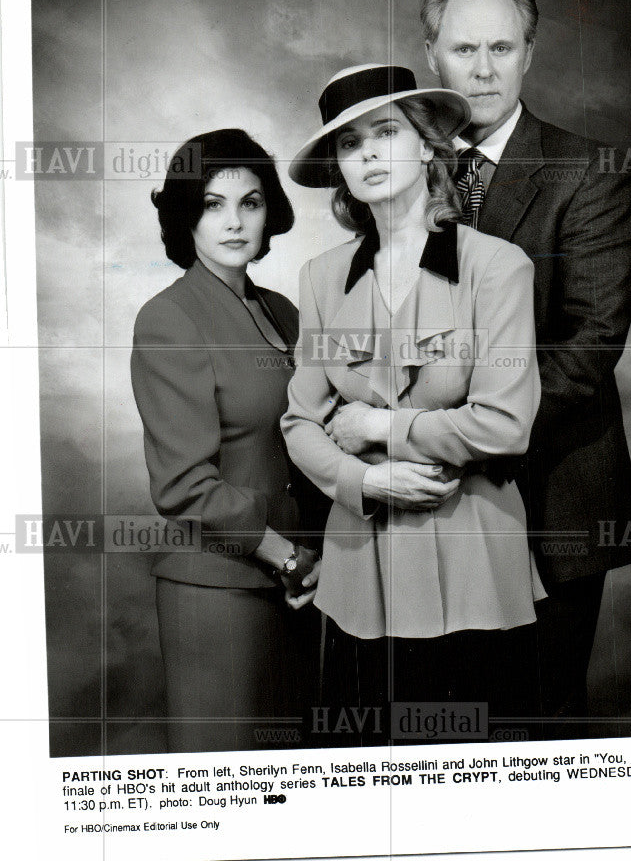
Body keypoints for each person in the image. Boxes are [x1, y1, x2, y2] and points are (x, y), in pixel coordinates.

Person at [281, 64, 547, 745]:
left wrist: (381, 427)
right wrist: (362, 478)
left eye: (386, 132)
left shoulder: (497, 266)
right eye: (348, 143)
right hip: (357, 573)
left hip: (472, 568)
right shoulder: (321, 277)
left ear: (428, 145)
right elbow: (301, 420)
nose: (366, 153)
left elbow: (505, 424)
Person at [421, 0, 631, 737]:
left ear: (529, 54)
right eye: (464, 49)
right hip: (424, 511)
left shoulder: (585, 171)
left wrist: (460, 437)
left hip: (552, 500)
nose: (483, 70)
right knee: (441, 728)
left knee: (532, 731)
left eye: (501, 48)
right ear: (432, 56)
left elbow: (590, 344)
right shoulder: (403, 173)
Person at [130, 128, 325, 753]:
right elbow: (184, 486)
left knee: (295, 800)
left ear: (272, 212)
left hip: (304, 585)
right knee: (225, 799)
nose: (235, 222)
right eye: (213, 204)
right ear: (187, 215)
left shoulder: (285, 311)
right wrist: (286, 556)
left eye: (251, 202)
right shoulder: (168, 318)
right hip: (219, 591)